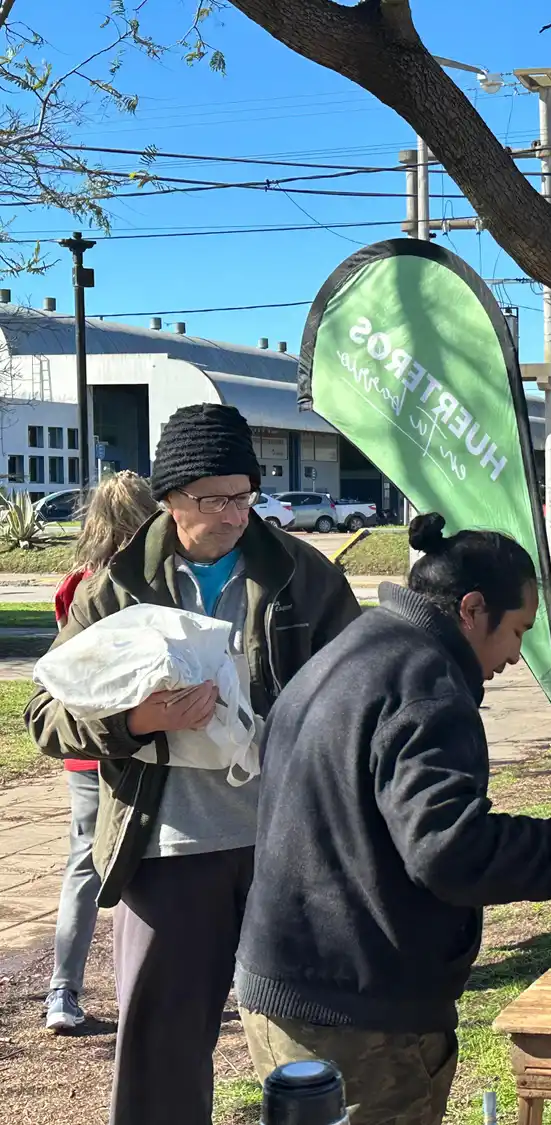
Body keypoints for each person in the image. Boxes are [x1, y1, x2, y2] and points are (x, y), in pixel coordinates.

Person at [234, 513, 551, 1125]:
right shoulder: (426, 683)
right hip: (353, 1010)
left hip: (303, 981)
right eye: (516, 632)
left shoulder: (358, 647)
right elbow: (450, 851)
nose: (515, 655)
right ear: (472, 610)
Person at [25, 404, 362, 1125]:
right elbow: (45, 715)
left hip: (287, 849)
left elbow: (362, 688)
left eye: (245, 495)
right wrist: (137, 720)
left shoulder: (303, 576)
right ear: (172, 498)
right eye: (215, 499)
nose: (236, 514)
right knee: (162, 1058)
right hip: (170, 850)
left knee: (317, 1045)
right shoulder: (115, 587)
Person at [42, 470, 157, 1034]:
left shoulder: (75, 585)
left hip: (85, 748)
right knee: (155, 864)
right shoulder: (149, 585)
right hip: (143, 741)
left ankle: (63, 991)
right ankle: (151, 985)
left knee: (85, 864)